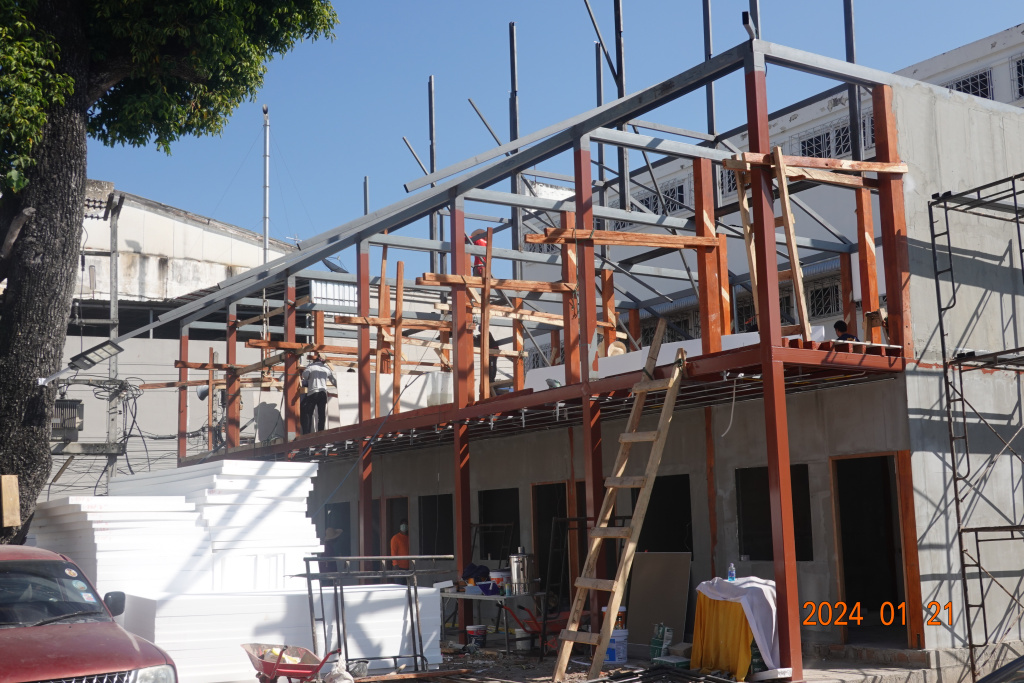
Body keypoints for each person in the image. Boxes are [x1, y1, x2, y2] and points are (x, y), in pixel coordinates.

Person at [300, 351, 337, 433]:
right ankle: (321, 432)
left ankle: (307, 433)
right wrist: (341, 388)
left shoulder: (310, 366)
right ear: (323, 360)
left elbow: (305, 376)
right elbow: (333, 381)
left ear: (317, 358)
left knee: (308, 413)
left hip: (312, 392)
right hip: (323, 393)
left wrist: (310, 378)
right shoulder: (326, 369)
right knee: (321, 414)